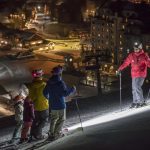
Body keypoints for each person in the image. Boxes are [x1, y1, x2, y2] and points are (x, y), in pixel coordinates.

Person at [43, 65, 76, 141]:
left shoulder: (49, 82)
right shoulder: (61, 83)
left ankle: (51, 133)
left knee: (54, 119)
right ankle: (57, 133)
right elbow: (65, 94)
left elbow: (44, 92)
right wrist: (72, 89)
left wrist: (49, 98)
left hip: (53, 104)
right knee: (61, 119)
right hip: (60, 104)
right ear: (59, 73)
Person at [117, 42, 150, 108]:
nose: (135, 50)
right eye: (134, 49)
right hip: (134, 74)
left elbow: (149, 63)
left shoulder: (144, 56)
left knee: (137, 86)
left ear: (140, 49)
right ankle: (135, 101)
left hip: (141, 74)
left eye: (137, 49)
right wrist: (120, 69)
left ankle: (141, 101)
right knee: (134, 88)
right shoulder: (131, 55)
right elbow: (126, 63)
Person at [27, 69, 49, 141]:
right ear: (41, 75)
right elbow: (47, 94)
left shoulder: (31, 86)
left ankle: (32, 134)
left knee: (36, 120)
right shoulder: (44, 85)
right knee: (44, 120)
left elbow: (31, 96)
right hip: (43, 105)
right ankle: (38, 134)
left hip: (36, 106)